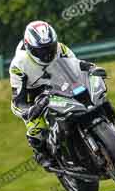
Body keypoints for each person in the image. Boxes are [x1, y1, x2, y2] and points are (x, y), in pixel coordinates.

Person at [9, 21, 105, 169]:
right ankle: (41, 153)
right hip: (33, 93)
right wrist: (29, 110)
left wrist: (92, 68)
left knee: (91, 95)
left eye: (50, 48)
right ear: (29, 48)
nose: (47, 54)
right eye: (41, 51)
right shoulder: (18, 65)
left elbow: (77, 65)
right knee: (37, 128)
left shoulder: (60, 48)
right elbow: (17, 102)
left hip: (59, 81)